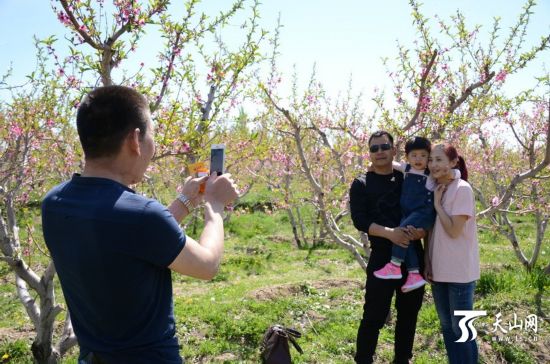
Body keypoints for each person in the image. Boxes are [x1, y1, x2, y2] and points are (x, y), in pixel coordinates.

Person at [41, 85, 239, 363]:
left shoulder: (54, 202)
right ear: (135, 140)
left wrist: (185, 200)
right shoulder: (142, 216)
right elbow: (206, 266)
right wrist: (215, 207)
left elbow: (129, 238)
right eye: (152, 136)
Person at [349, 130, 426, 364]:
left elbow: (427, 205)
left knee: (408, 315)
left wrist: (421, 231)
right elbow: (360, 220)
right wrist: (390, 234)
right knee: (373, 315)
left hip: (413, 256)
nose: (379, 152)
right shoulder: (361, 183)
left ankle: (402, 360)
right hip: (383, 258)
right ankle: (363, 359)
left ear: (394, 150)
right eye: (374, 148)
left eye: (384, 147)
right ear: (369, 154)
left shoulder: (409, 178)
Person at [424, 142, 480, 364]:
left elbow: (455, 231)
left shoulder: (462, 189)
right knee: (447, 327)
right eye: (431, 160)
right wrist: (427, 262)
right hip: (439, 270)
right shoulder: (434, 188)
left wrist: (438, 205)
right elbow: (431, 231)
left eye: (439, 159)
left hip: (460, 273)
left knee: (462, 330)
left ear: (453, 162)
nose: (433, 165)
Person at [373, 136, 434, 292]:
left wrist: (455, 173)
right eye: (413, 155)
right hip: (407, 213)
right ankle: (414, 274)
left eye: (423, 155)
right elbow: (391, 163)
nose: (418, 159)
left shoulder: (431, 175)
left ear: (429, 157)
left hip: (422, 213)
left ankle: (394, 265)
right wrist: (372, 166)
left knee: (400, 233)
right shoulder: (406, 169)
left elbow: (449, 171)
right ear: (407, 157)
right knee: (408, 240)